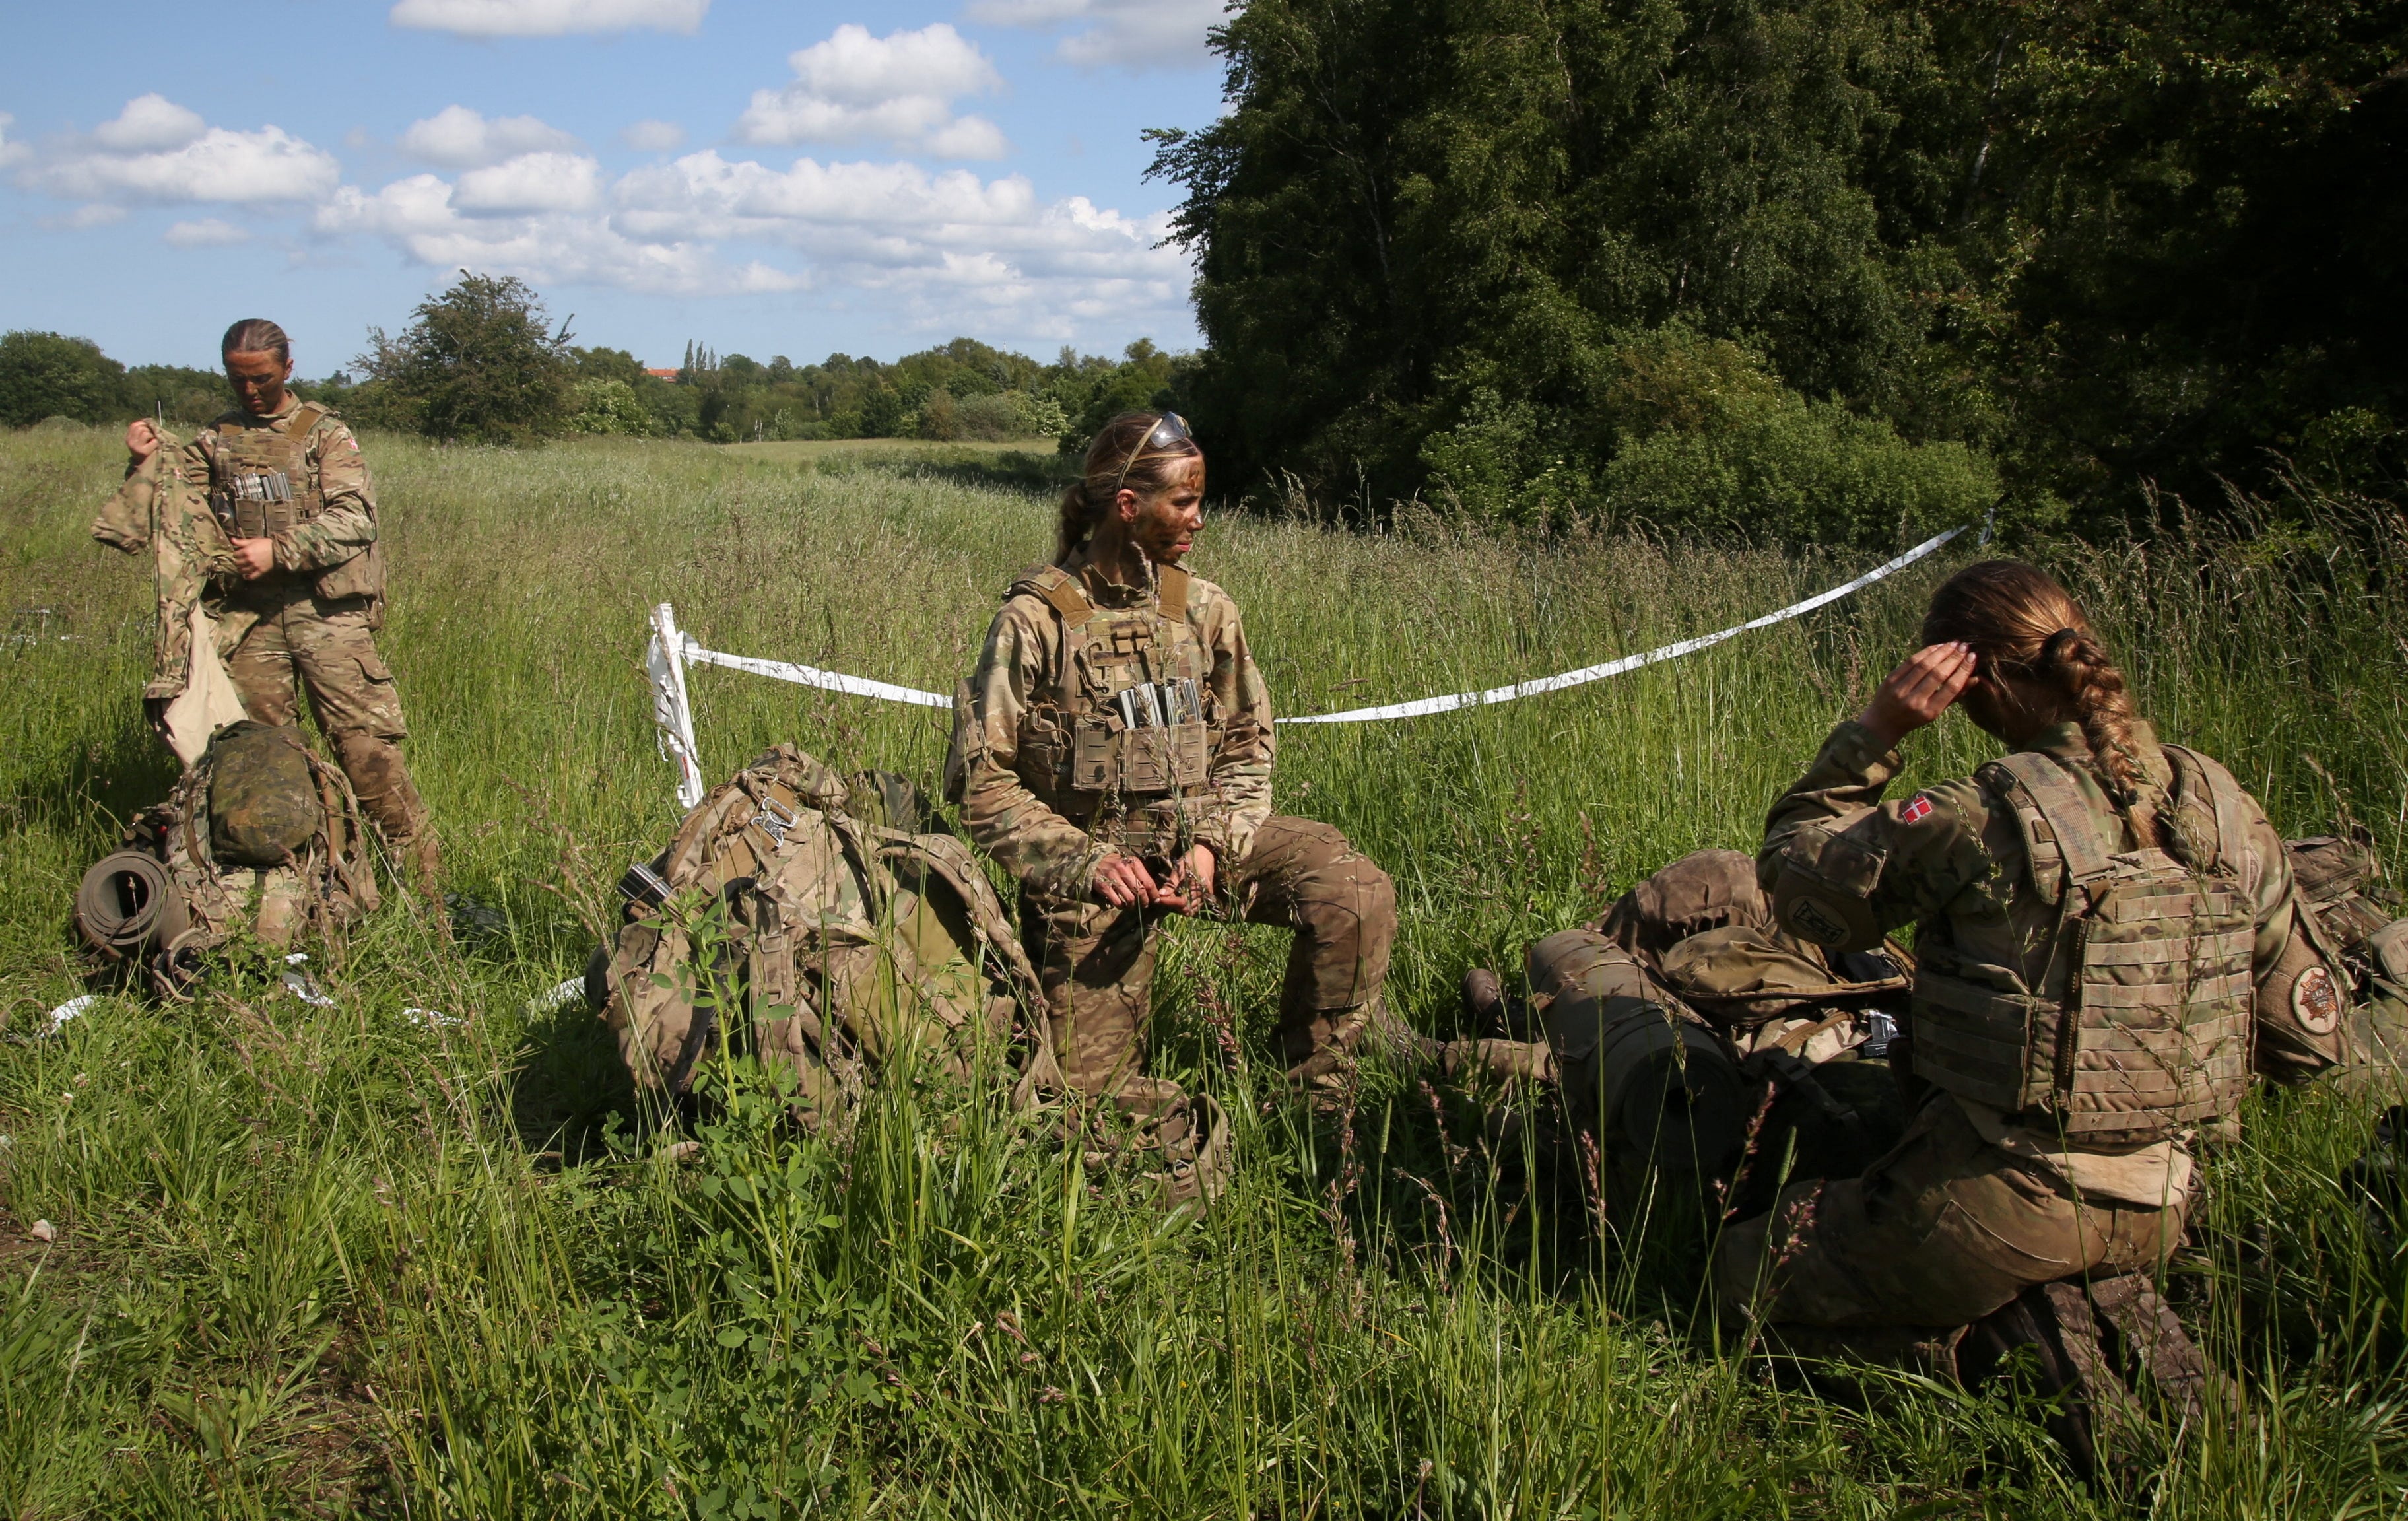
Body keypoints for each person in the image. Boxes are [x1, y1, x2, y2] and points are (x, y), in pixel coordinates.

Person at [1712, 560, 2355, 1367]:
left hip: (2001, 1205)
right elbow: (2305, 1042)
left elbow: (1798, 882)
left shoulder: (1978, 813)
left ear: (1966, 679)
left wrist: (1877, 730)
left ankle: (1968, 1357)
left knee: (1735, 1276)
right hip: (2167, 1200)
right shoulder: (2218, 799)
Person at [943, 411, 1399, 1126]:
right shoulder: (1036, 622)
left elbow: (1249, 746)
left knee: (1354, 891)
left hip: (1198, 842)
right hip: (1092, 875)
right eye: (1184, 502)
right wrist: (1082, 861)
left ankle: (1313, 1097)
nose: (1199, 520)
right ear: (1129, 506)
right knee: (1089, 1107)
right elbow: (978, 780)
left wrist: (1213, 845)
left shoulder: (1205, 610)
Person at [92, 319, 436, 891]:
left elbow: (357, 519)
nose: (250, 391)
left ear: (287, 370)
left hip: (327, 617)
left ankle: (426, 894)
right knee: (260, 764)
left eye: (262, 379)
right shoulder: (216, 438)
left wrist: (279, 551)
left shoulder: (323, 433)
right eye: (237, 379)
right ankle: (296, 892)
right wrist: (143, 461)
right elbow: (174, 504)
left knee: (367, 752)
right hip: (249, 621)